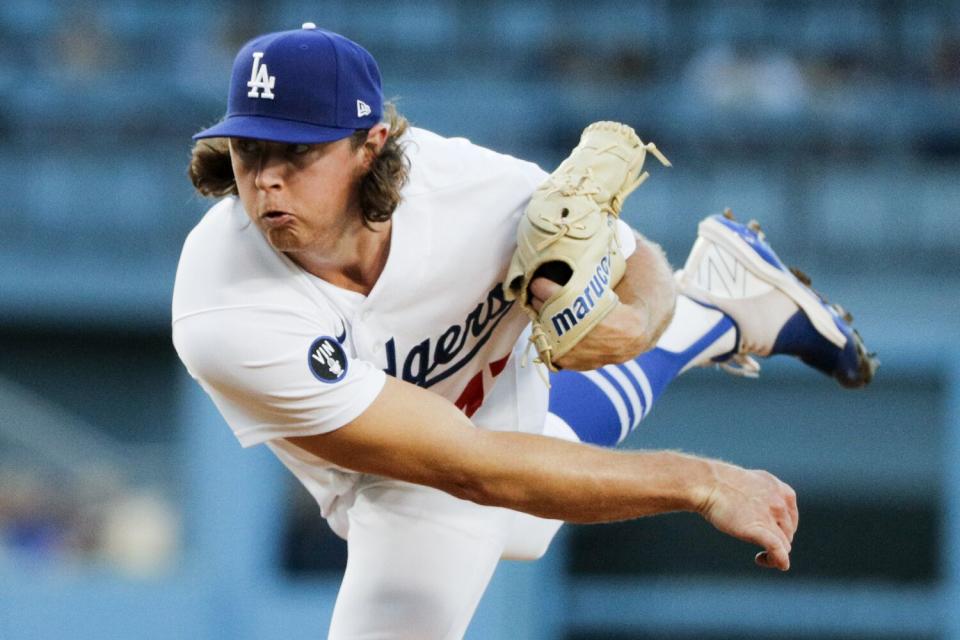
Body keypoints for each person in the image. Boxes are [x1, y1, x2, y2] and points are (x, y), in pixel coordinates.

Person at [172, 24, 875, 639]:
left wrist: (638, 322)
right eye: (250, 150)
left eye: (297, 154)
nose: (265, 180)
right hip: (416, 456)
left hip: (457, 446)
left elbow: (640, 263)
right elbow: (470, 466)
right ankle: (714, 308)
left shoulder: (470, 191)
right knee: (518, 516)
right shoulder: (226, 307)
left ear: (370, 144)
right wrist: (702, 481)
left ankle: (703, 309)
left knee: (408, 598)